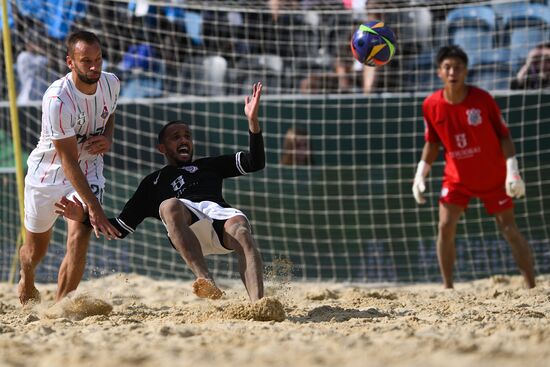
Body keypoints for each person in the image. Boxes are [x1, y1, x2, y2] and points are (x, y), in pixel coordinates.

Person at [56, 82, 265, 302]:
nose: (184, 140)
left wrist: (253, 123)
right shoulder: (153, 183)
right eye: (176, 137)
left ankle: (259, 305)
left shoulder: (209, 164)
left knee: (242, 232)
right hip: (187, 230)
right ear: (162, 148)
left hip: (219, 219)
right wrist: (84, 217)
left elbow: (255, 162)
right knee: (169, 205)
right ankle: (206, 281)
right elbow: (120, 228)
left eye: (187, 136)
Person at [412, 45, 536, 289]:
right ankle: (448, 287)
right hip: (457, 178)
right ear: (439, 72)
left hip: (493, 175)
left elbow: (504, 137)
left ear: (466, 71)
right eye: (447, 67)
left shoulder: (482, 99)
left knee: (509, 229)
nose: (452, 72)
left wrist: (513, 172)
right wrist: (420, 174)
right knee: (445, 227)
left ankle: (531, 286)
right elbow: (433, 143)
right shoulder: (431, 105)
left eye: (457, 67)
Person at [18, 30, 121, 305]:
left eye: (98, 58)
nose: (94, 66)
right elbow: (67, 160)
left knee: (80, 235)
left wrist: (108, 138)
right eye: (86, 60)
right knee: (33, 252)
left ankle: (61, 306)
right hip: (48, 174)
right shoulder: (57, 99)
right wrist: (97, 210)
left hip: (88, 168)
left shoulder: (111, 83)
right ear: (70, 62)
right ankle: (26, 276)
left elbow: (109, 112)